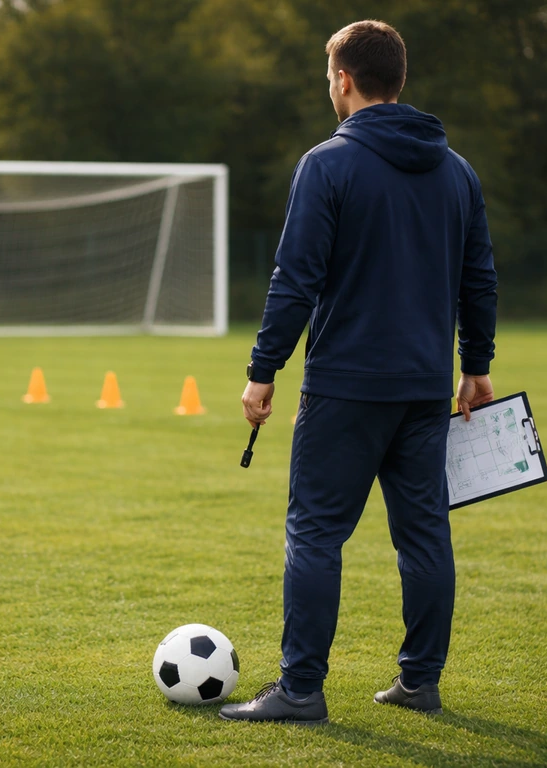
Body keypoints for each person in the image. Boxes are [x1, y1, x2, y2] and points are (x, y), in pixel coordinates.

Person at [219, 20, 497, 725]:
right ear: (397, 78)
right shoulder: (457, 170)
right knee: (425, 534)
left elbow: (295, 279)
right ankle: (419, 682)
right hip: (428, 387)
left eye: (328, 75)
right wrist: (478, 367)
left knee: (314, 533)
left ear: (344, 79)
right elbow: (479, 278)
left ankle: (301, 690)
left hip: (345, 386)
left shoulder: (327, 164)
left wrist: (262, 369)